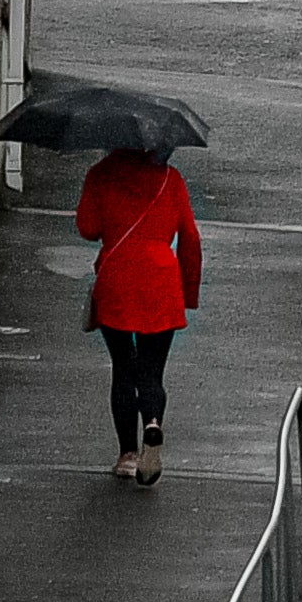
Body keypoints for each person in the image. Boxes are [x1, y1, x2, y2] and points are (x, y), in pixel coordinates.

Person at [79, 144, 202, 485]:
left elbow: (88, 228)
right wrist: (188, 293)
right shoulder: (170, 178)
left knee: (123, 367)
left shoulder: (101, 174)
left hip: (117, 279)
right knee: (151, 371)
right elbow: (190, 237)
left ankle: (127, 455)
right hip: (162, 281)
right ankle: (152, 423)